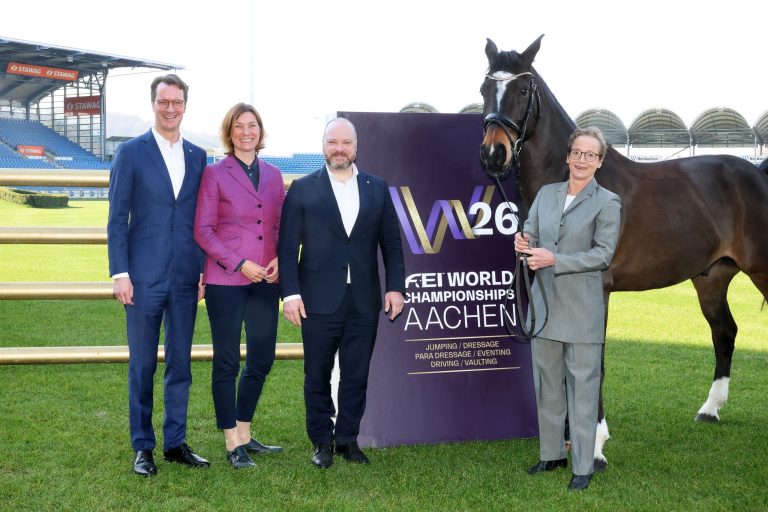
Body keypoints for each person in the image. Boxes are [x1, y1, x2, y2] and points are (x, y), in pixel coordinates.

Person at [278, 117, 406, 468]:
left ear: (355, 146)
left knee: (356, 373)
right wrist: (290, 294)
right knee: (316, 373)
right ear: (324, 146)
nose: (339, 148)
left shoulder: (377, 188)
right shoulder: (303, 188)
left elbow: (392, 247)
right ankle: (321, 441)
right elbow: (287, 249)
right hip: (317, 298)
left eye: (346, 143)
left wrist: (396, 287)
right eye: (333, 142)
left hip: (364, 299)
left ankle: (348, 438)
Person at [107, 74, 210, 476]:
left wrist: (202, 270)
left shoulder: (199, 156)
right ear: (153, 103)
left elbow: (201, 220)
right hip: (143, 278)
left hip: (186, 276)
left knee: (180, 363)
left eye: (177, 102)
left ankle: (175, 442)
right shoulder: (131, 153)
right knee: (143, 365)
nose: (171, 108)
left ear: (185, 105)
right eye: (164, 101)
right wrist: (120, 273)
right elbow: (117, 219)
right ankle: (143, 446)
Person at [513, 126, 621, 491]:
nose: (582, 160)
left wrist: (554, 259)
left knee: (582, 389)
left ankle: (583, 466)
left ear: (600, 162)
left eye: (590, 155)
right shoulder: (545, 194)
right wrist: (523, 242)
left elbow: (602, 255)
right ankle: (551, 454)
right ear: (567, 155)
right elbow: (531, 231)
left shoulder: (608, 202)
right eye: (577, 152)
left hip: (581, 311)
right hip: (543, 307)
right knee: (547, 387)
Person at [194, 103, 285, 469]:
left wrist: (278, 256)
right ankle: (231, 441)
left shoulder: (275, 175)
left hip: (266, 279)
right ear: (229, 133)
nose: (247, 132)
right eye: (239, 126)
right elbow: (203, 230)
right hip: (226, 280)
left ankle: (245, 432)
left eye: (253, 126)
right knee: (228, 362)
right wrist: (239, 263)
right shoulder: (214, 174)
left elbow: (278, 226)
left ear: (260, 132)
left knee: (261, 358)